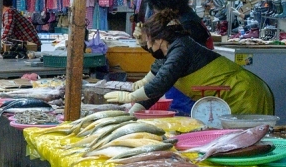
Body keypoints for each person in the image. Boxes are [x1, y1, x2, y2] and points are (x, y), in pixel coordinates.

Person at [106, 9, 274, 114]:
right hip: (226, 98)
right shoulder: (169, 51)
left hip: (244, 94)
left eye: (146, 41)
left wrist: (129, 97)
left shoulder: (181, 49)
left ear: (158, 39)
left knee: (244, 142)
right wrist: (133, 113)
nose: (145, 45)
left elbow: (159, 84)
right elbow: (156, 89)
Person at [142, 0, 211, 48]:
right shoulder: (184, 18)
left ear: (168, 8)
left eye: (158, 12)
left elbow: (183, 55)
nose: (157, 16)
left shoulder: (188, 25)